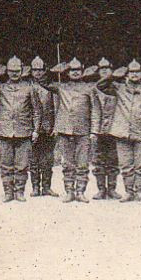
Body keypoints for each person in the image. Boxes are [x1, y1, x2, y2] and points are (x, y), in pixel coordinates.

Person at [0, 56, 42, 202]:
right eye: (11, 71)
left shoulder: (29, 87)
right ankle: (8, 192)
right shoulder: (0, 87)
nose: (14, 74)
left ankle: (19, 191)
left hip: (23, 131)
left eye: (17, 71)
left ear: (22, 71)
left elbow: (37, 111)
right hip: (5, 131)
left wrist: (36, 130)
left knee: (22, 165)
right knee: (6, 164)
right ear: (7, 71)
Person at [106, 60, 141, 202]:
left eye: (137, 72)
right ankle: (129, 192)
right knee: (126, 165)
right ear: (127, 73)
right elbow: (101, 85)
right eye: (131, 72)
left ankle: (139, 191)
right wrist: (114, 75)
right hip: (122, 132)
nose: (134, 75)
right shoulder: (119, 88)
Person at [51, 57, 95, 203]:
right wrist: (55, 70)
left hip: (83, 130)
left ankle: (80, 191)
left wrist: (93, 130)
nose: (75, 73)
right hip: (65, 130)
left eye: (77, 70)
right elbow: (43, 82)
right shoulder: (60, 87)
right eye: (71, 70)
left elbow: (94, 110)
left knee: (82, 163)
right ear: (67, 72)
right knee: (67, 163)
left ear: (82, 71)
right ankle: (69, 191)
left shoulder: (89, 88)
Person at [91, 57, 120, 200]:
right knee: (99, 160)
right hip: (99, 129)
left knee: (113, 160)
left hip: (114, 129)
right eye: (101, 69)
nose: (104, 72)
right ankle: (101, 189)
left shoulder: (118, 87)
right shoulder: (94, 88)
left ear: (112, 70)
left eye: (107, 69)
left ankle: (112, 189)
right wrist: (93, 131)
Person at [30, 57, 58, 197]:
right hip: (32, 128)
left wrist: (55, 126)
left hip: (48, 127)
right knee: (33, 159)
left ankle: (47, 187)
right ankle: (35, 187)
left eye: (40, 70)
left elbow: (56, 107)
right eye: (35, 70)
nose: (38, 73)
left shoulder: (51, 87)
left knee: (47, 159)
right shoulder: (28, 86)